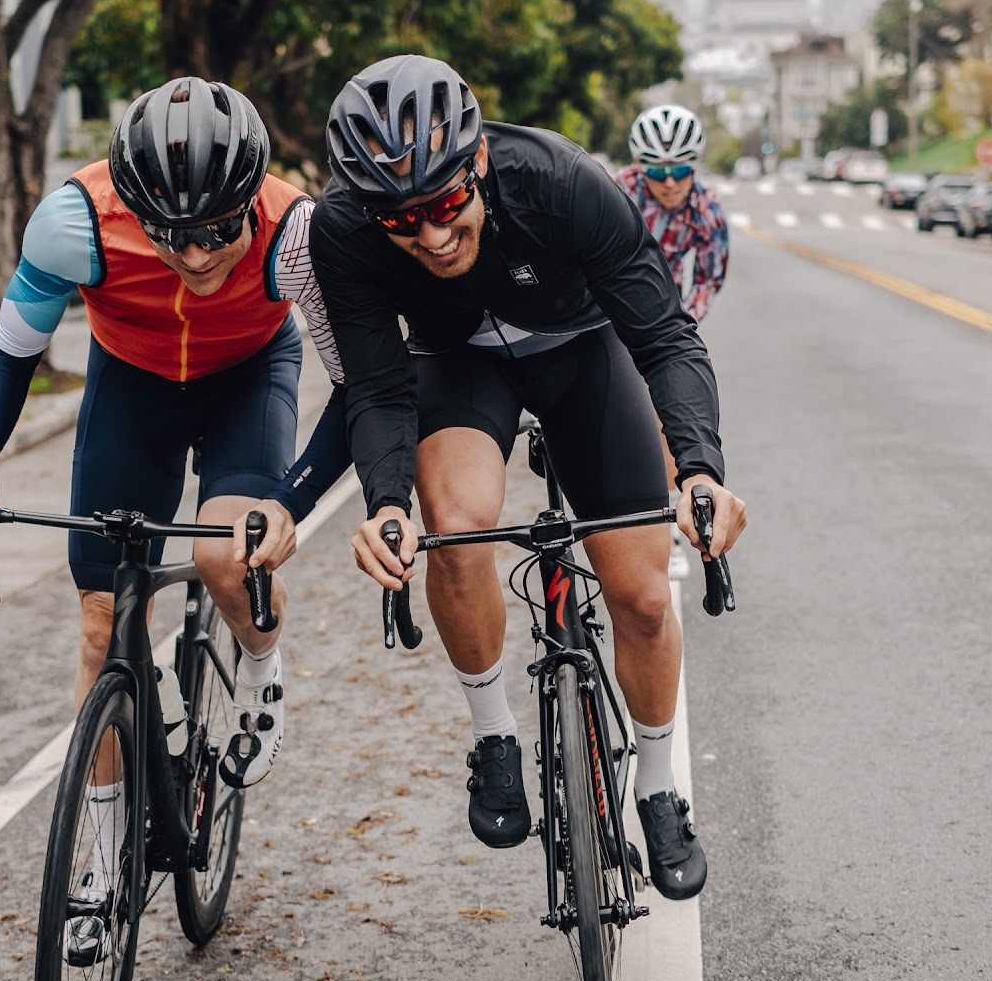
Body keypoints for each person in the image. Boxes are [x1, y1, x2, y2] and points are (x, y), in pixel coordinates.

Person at [0, 77, 348, 962]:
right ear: (133, 207)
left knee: (227, 557)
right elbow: (7, 355)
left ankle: (262, 668)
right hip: (132, 383)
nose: (195, 255)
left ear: (251, 199)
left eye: (218, 231)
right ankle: (102, 851)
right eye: (171, 234)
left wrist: (289, 503)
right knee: (100, 621)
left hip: (247, 379)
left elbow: (359, 385)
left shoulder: (297, 232)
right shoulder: (73, 221)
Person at [311, 55, 746, 902]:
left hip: (582, 349)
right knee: (457, 530)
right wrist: (387, 502)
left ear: (477, 161)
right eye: (400, 219)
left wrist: (699, 467)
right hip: (457, 363)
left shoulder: (562, 181)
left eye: (444, 205)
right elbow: (377, 384)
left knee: (642, 596)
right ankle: (494, 734)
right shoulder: (344, 228)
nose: (430, 237)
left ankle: (658, 787)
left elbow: (664, 337)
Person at [616, 104, 731, 580]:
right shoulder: (616, 192)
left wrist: (674, 330)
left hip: (665, 315)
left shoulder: (708, 212)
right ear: (638, 167)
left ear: (695, 166)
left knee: (667, 415)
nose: (668, 182)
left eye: (680, 171)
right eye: (657, 171)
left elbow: (707, 281)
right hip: (605, 307)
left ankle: (671, 525)